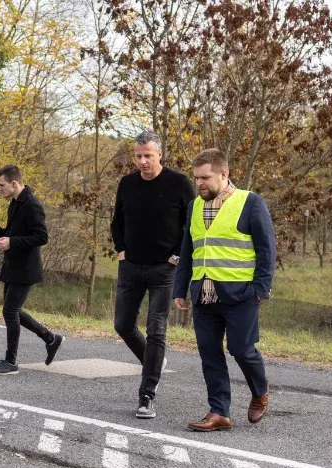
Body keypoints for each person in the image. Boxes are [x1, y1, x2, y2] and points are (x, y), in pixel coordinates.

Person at [173, 149, 276, 432]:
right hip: (203, 293)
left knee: (241, 350)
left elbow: (267, 249)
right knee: (209, 352)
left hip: (241, 294)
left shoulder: (250, 202)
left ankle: (260, 391)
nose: (200, 183)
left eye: (205, 177)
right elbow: (188, 249)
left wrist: (260, 289)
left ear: (224, 174)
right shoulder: (195, 206)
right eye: (196, 178)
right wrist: (180, 288)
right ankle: (219, 412)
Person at [111, 131, 195, 420]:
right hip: (131, 265)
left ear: (160, 154)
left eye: (148, 155)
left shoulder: (179, 183)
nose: (143, 161)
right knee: (123, 324)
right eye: (138, 156)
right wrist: (121, 250)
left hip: (164, 268)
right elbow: (117, 221)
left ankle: (146, 395)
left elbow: (192, 225)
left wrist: (177, 256)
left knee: (156, 329)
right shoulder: (127, 184)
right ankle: (154, 361)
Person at [0, 165, 63, 375]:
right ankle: (50, 338)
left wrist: (12, 242)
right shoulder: (15, 203)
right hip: (13, 265)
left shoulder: (31, 204)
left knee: (10, 311)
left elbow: (42, 237)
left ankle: (11, 362)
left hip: (26, 268)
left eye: (1, 185)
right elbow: (13, 233)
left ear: (14, 183)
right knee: (13, 310)